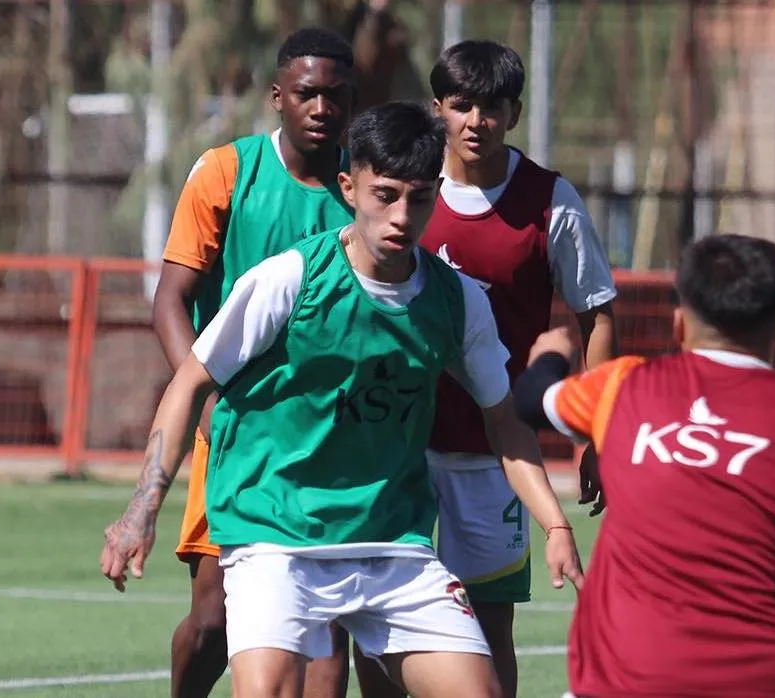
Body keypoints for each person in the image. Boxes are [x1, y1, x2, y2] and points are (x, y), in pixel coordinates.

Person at [101, 100, 584, 698]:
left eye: (418, 197)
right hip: (276, 537)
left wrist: (555, 523)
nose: (402, 216)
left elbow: (504, 422)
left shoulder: (455, 300)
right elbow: (189, 382)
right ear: (349, 187)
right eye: (385, 195)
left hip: (392, 545)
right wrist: (141, 511)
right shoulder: (290, 280)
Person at [512, 233, 775, 697]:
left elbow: (531, 401)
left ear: (679, 324)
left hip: (623, 686)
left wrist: (552, 353)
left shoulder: (624, 387)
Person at [353, 39, 618, 698]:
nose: (476, 121)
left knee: (485, 628)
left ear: (515, 113)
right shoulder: (404, 193)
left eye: (492, 107)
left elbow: (598, 315)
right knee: (377, 628)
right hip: (400, 449)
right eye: (461, 105)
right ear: (437, 108)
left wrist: (596, 432)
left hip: (493, 455)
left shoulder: (550, 201)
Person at [148, 27, 356, 698]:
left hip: (330, 435)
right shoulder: (227, 172)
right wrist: (205, 400)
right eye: (307, 93)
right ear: (278, 97)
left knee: (324, 637)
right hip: (235, 425)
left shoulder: (369, 189)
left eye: (336, 95)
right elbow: (170, 301)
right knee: (213, 621)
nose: (321, 107)